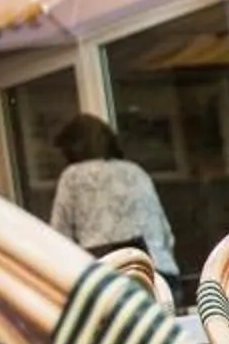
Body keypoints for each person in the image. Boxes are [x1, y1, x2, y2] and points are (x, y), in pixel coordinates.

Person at [48, 114, 177, 276]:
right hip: (158, 270)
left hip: (110, 274)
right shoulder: (135, 171)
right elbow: (165, 232)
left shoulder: (72, 177)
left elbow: (59, 236)